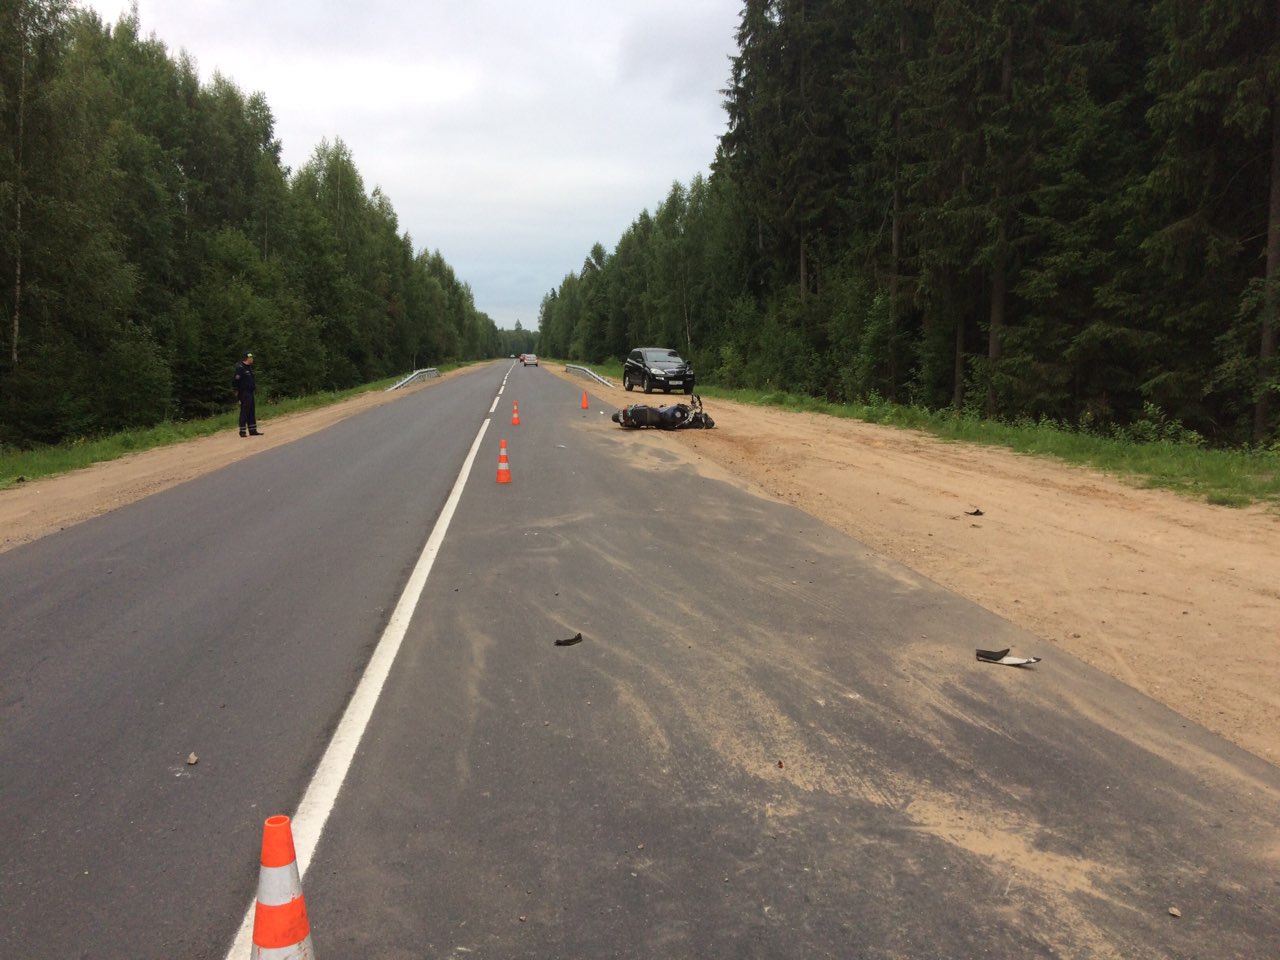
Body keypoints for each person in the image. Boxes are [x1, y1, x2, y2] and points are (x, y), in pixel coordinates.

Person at [232, 351, 263, 437]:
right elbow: (235, 381)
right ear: (247, 358)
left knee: (251, 411)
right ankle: (242, 431)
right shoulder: (240, 368)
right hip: (244, 393)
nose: (252, 359)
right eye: (251, 358)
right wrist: (236, 392)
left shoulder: (248, 368)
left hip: (250, 392)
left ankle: (252, 430)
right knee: (244, 411)